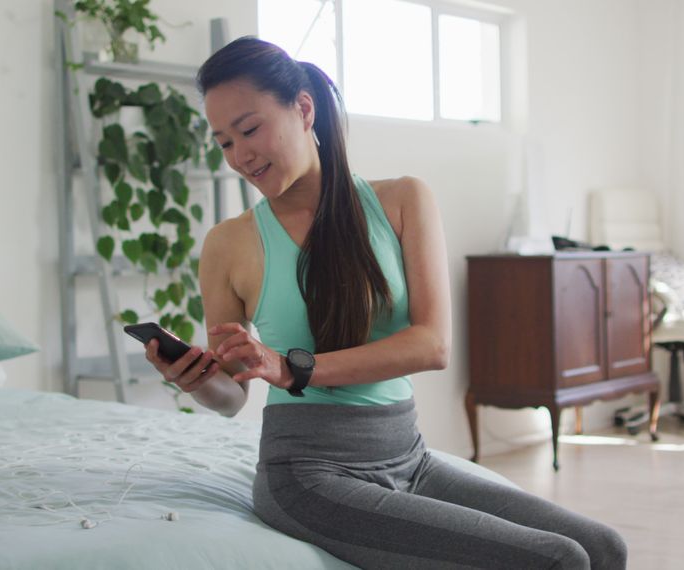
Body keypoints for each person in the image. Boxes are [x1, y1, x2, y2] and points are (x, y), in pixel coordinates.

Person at [143, 36, 627, 569]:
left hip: (408, 456)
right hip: (306, 474)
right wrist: (196, 379)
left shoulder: (401, 200)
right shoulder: (228, 243)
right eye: (224, 143)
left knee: (604, 549)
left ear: (303, 109)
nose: (242, 156)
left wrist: (290, 367)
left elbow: (432, 345)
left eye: (250, 129)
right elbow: (232, 396)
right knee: (558, 560)